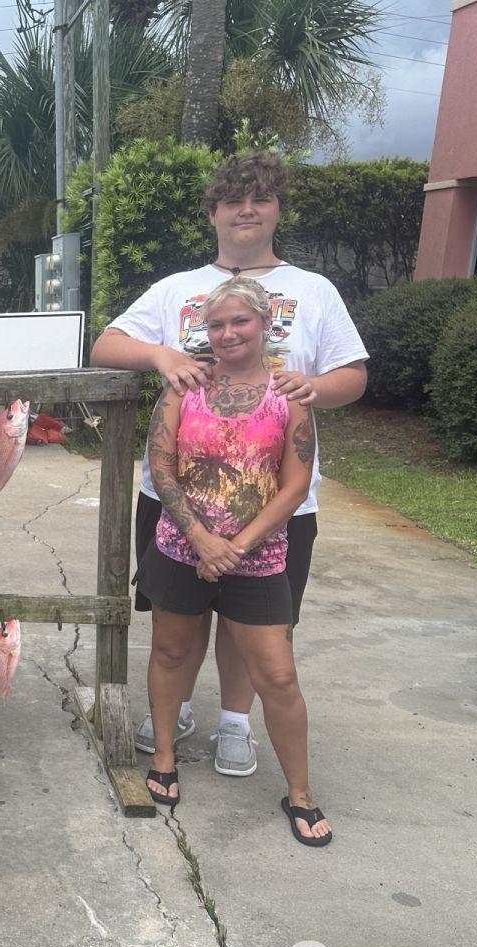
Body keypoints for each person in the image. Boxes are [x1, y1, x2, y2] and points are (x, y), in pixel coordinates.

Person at [90, 150, 367, 779]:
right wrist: (161, 355)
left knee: (252, 622)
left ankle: (236, 724)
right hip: (176, 503)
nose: (246, 210)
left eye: (261, 199)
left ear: (277, 210)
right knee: (177, 620)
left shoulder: (313, 290)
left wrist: (310, 391)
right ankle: (177, 709)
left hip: (277, 504)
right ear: (213, 212)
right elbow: (106, 343)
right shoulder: (174, 289)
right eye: (233, 200)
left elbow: (353, 374)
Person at [137, 277, 329, 845]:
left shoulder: (289, 395)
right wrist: (200, 538)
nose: (227, 334)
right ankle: (165, 757)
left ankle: (300, 792)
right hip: (180, 549)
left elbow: (295, 486)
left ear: (265, 325)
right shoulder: (183, 388)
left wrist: (237, 545)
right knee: (171, 651)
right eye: (216, 325)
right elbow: (161, 466)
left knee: (278, 674)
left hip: (260, 557)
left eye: (240, 322)